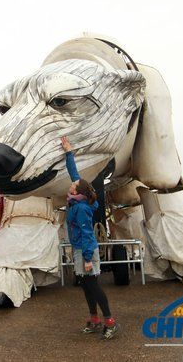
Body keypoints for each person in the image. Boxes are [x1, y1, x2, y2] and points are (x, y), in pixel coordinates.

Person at [61, 136, 118, 340]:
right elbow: (74, 174)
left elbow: (87, 234)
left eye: (73, 185)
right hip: (80, 249)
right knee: (86, 286)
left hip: (86, 251)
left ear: (77, 191)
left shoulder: (82, 208)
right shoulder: (79, 199)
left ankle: (110, 321)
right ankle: (94, 319)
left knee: (93, 285)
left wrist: (86, 259)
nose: (71, 184)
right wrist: (69, 152)